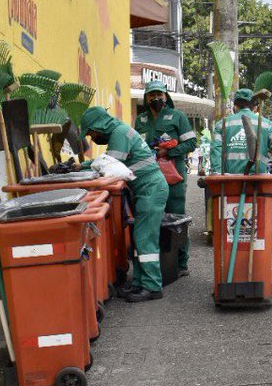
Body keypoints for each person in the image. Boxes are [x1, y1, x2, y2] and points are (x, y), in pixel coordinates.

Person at [77, 106, 169, 302]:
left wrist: (79, 167)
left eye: (91, 132)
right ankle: (139, 282)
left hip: (151, 189)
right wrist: (79, 166)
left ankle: (152, 286)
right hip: (146, 189)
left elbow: (109, 164)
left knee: (145, 238)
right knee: (139, 237)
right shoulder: (119, 131)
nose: (92, 138)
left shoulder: (119, 132)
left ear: (99, 125)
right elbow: (108, 161)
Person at [134, 80, 197, 278]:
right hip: (149, 178)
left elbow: (192, 143)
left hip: (173, 176)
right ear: (146, 98)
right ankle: (160, 260)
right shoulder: (141, 120)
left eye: (159, 94)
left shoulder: (177, 117)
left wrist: (168, 153)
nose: (155, 98)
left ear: (166, 96)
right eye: (151, 95)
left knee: (176, 217)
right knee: (152, 218)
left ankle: (181, 262)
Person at [210, 88, 272, 175]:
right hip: (258, 181)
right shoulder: (268, 124)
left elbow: (215, 150)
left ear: (235, 106)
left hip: (229, 181)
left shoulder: (222, 124)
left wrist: (216, 172)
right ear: (255, 107)